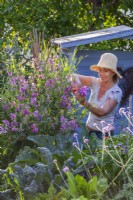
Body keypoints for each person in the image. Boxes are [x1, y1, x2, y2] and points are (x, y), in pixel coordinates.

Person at [72, 53, 123, 139]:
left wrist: (84, 102)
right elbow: (73, 77)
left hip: (104, 135)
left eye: (106, 71)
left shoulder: (116, 91)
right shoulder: (95, 82)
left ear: (113, 73)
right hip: (89, 133)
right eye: (100, 70)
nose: (101, 73)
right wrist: (74, 84)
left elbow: (102, 112)